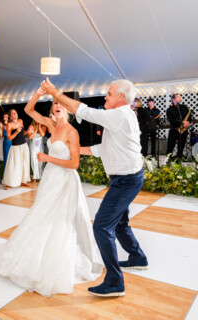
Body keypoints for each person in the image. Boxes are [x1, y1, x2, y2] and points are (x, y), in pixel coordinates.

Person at [41, 78, 148, 297]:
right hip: (127, 179)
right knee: (119, 223)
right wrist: (73, 148)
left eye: (109, 94)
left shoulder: (119, 115)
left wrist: (56, 93)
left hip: (126, 181)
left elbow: (87, 112)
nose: (105, 97)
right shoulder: (120, 117)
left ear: (120, 97)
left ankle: (115, 281)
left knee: (101, 226)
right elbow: (103, 148)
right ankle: (137, 257)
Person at [0, 87, 103, 296]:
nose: (57, 106)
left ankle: (59, 259)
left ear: (68, 111)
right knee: (42, 214)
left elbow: (74, 164)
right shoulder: (50, 124)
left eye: (61, 104)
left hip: (65, 181)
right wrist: (37, 94)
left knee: (61, 221)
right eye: (55, 104)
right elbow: (28, 110)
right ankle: (37, 255)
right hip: (50, 179)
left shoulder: (72, 133)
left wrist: (48, 159)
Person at [2, 109, 30, 189]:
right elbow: (9, 138)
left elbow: (22, 133)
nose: (15, 114)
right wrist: (16, 132)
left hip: (24, 146)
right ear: (10, 116)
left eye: (16, 113)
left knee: (24, 164)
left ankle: (22, 180)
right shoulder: (9, 125)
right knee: (14, 166)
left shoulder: (21, 121)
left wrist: (26, 132)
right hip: (15, 147)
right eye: (13, 113)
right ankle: (9, 182)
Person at [166, 94, 192, 160]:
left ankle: (179, 161)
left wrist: (188, 122)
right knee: (170, 147)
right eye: (178, 97)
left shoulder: (184, 107)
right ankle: (168, 161)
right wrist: (182, 122)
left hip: (184, 130)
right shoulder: (169, 109)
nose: (180, 98)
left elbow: (189, 116)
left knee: (181, 147)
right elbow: (171, 120)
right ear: (173, 99)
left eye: (180, 97)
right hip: (174, 130)